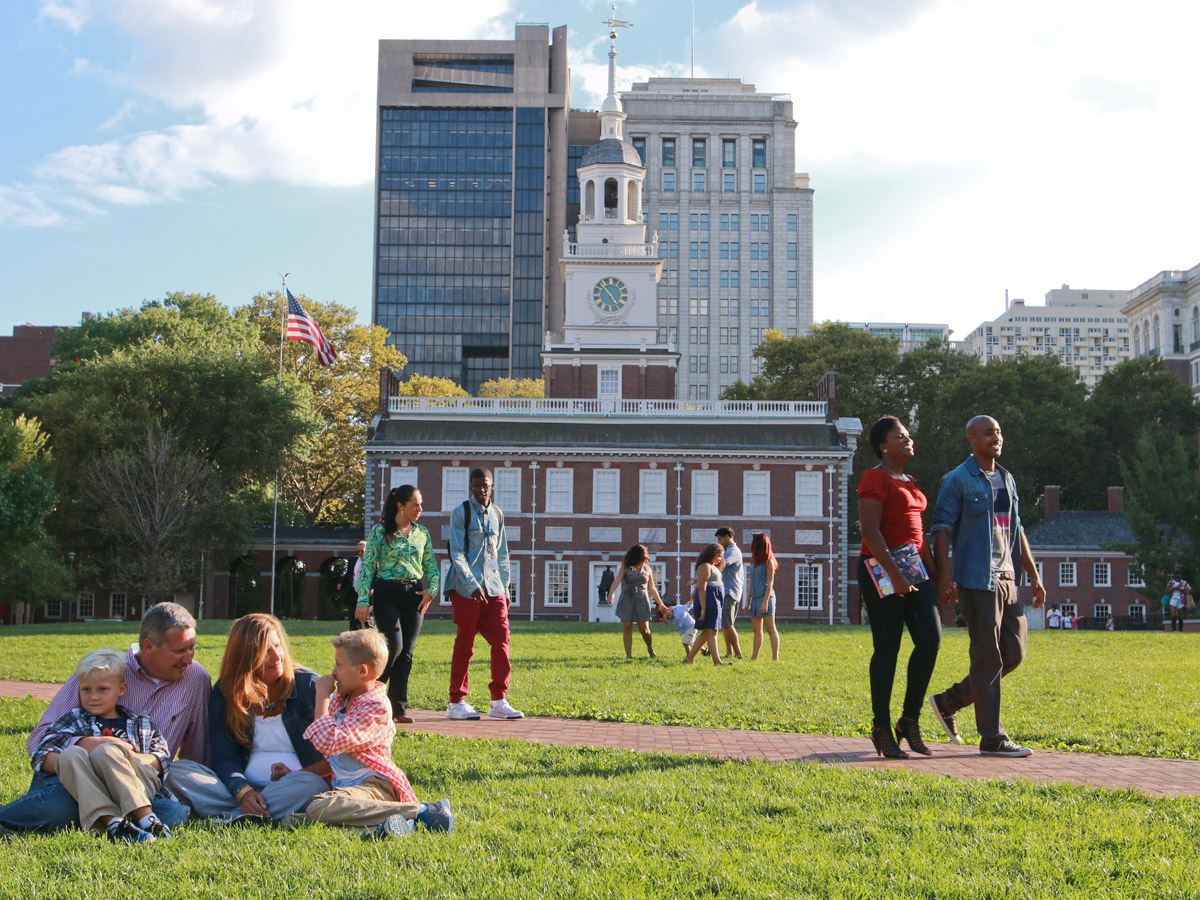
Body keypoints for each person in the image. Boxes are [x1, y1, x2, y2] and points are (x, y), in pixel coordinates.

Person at [0, 602, 207, 832]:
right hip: (76, 780)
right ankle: (109, 821)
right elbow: (38, 740)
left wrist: (138, 762)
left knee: (173, 814)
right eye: (180, 651)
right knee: (63, 805)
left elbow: (196, 754)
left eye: (192, 648)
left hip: (136, 786)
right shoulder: (103, 672)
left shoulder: (196, 679)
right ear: (149, 646)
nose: (189, 659)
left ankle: (111, 821)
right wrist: (89, 745)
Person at [928, 415, 1046, 759]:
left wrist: (1034, 575)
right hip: (978, 579)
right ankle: (992, 737)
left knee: (1015, 652)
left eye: (999, 432)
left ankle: (949, 701)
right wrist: (945, 576)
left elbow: (1017, 528)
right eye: (989, 432)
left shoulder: (1006, 478)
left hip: (1008, 577)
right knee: (987, 655)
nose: (997, 437)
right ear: (972, 438)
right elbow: (942, 529)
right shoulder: (957, 480)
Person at [167, 614, 330, 822]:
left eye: (278, 646)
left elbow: (333, 756)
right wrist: (243, 791)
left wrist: (294, 775)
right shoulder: (226, 692)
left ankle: (235, 816)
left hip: (294, 787)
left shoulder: (307, 685)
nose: (277, 656)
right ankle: (251, 811)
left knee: (313, 784)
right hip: (238, 791)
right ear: (245, 657)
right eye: (265, 652)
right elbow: (225, 756)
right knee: (176, 771)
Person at [296, 630, 453, 837]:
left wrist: (322, 696)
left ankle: (424, 812)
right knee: (294, 818)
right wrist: (296, 775)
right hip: (348, 790)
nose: (333, 672)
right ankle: (381, 828)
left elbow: (329, 742)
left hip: (375, 787)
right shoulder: (342, 700)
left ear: (362, 671)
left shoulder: (375, 706)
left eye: (339, 665)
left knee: (318, 808)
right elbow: (334, 759)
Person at [857, 416, 941, 759]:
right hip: (881, 568)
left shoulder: (910, 481)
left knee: (930, 640)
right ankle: (881, 726)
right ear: (883, 446)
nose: (908, 440)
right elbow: (871, 533)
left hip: (915, 569)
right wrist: (896, 576)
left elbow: (920, 539)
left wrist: (938, 578)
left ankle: (909, 720)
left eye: (907, 435)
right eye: (899, 436)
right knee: (888, 648)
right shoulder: (874, 478)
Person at [29, 649, 173, 843]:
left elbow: (162, 759)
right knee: (71, 754)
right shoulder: (72, 720)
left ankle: (148, 819)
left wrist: (121, 757)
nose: (93, 697)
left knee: (174, 811)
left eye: (102, 689)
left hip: (135, 786)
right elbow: (40, 755)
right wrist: (88, 765)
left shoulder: (141, 724)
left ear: (121, 689)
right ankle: (116, 824)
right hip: (89, 788)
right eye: (86, 690)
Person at [445, 468, 522, 720]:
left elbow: (503, 555)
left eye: (485, 485)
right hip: (467, 589)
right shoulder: (461, 513)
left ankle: (499, 700)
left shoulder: (497, 514)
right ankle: (456, 701)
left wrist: (506, 589)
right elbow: (456, 552)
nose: (480, 490)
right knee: (465, 644)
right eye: (476, 486)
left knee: (502, 641)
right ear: (471, 486)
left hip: (494, 588)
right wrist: (471, 584)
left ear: (493, 486)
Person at [356, 485, 438, 724]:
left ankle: (397, 708)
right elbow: (368, 567)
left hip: (414, 593)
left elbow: (431, 565)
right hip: (386, 593)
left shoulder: (422, 533)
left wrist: (431, 590)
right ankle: (368, 699)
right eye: (415, 504)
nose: (420, 509)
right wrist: (363, 600)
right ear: (400, 505)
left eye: (421, 504)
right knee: (393, 648)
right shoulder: (380, 531)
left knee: (407, 653)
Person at [607, 544, 665, 660]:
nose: (644, 561)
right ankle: (629, 655)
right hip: (628, 598)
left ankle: (650, 648)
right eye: (642, 558)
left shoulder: (647, 568)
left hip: (642, 599)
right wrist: (611, 593)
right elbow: (617, 580)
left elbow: (652, 588)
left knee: (645, 630)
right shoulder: (626, 567)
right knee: (627, 626)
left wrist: (660, 603)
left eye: (645, 558)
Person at [684, 544, 727, 665]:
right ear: (711, 554)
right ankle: (716, 661)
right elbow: (702, 588)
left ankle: (690, 658)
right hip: (709, 599)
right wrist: (703, 609)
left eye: (721, 556)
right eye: (718, 555)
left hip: (715, 599)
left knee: (710, 631)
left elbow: (705, 579)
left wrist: (695, 578)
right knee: (711, 631)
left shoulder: (711, 567)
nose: (720, 559)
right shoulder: (705, 566)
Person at [746, 532, 781, 661]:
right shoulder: (754, 562)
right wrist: (747, 600)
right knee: (756, 630)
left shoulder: (769, 561)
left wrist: (765, 602)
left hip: (766, 597)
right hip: (755, 598)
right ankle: (754, 657)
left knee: (770, 628)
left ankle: (775, 658)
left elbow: (770, 583)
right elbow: (750, 581)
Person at [715, 527, 745, 660]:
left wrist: (705, 572)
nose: (719, 542)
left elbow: (722, 564)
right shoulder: (729, 551)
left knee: (728, 624)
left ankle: (739, 654)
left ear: (727, 536)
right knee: (724, 624)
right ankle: (729, 653)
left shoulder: (733, 551)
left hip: (730, 592)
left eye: (720, 539)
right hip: (726, 591)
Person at [343, 541, 367, 630]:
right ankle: (354, 637)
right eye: (359, 551)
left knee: (366, 617)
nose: (360, 553)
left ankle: (371, 638)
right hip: (354, 591)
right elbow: (349, 574)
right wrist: (341, 583)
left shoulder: (372, 562)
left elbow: (376, 576)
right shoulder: (353, 560)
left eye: (362, 551)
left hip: (366, 593)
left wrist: (372, 588)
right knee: (353, 616)